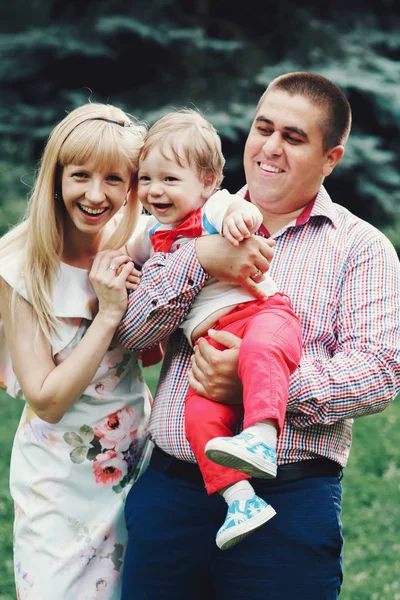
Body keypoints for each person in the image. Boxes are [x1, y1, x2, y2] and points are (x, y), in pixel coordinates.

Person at [117, 72, 400, 600]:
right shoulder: (179, 219)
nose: (270, 148)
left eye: (293, 137)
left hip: (289, 505)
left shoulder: (361, 247)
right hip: (172, 492)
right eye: (262, 128)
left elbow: (380, 373)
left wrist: (255, 381)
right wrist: (199, 260)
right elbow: (132, 336)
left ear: (330, 158)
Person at [0, 104, 273, 600]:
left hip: (136, 461)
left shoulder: (133, 239)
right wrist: (107, 313)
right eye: (80, 175)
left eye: (115, 179)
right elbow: (45, 399)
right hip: (60, 479)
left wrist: (214, 246)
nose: (95, 194)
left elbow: (201, 227)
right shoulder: (19, 264)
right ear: (55, 177)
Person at [126, 109, 302, 551]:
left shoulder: (216, 208)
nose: (154, 190)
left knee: (260, 352)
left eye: (170, 179)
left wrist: (236, 220)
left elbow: (238, 211)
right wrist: (119, 267)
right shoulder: (151, 234)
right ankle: (241, 499)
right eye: (146, 179)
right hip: (213, 339)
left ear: (206, 181)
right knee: (198, 417)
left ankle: (262, 435)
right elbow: (118, 250)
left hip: (262, 316)